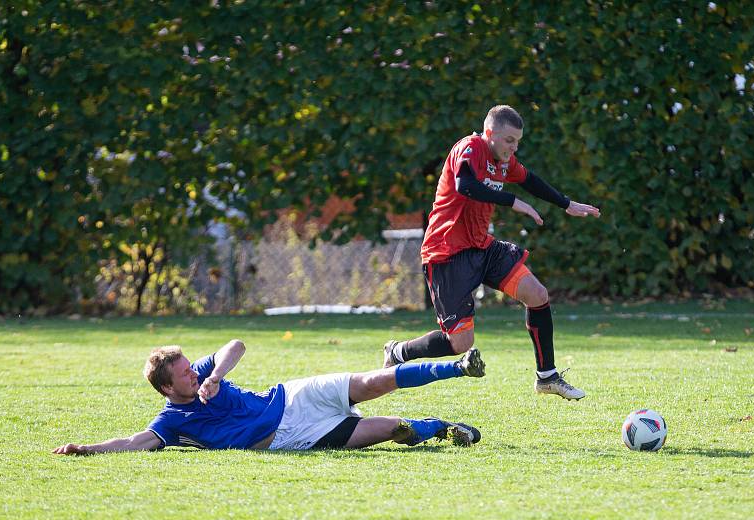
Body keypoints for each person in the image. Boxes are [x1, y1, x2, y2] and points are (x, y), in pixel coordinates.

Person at [383, 105, 600, 400]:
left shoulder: (504, 162)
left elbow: (530, 180)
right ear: (490, 133)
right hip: (446, 254)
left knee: (537, 295)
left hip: (482, 248)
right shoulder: (469, 148)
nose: (514, 147)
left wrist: (566, 203)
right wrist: (513, 202)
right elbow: (465, 184)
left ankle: (546, 377)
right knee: (459, 343)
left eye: (518, 141)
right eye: (509, 140)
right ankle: (399, 351)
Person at [52, 339, 486, 455]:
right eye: (184, 375)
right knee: (392, 429)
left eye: (190, 367)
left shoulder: (204, 374)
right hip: (292, 438)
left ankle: (457, 367)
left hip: (292, 397)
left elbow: (236, 345)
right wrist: (84, 448)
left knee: (375, 382)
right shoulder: (172, 422)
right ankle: (443, 429)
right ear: (168, 388)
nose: (192, 373)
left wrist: (215, 375)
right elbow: (133, 442)